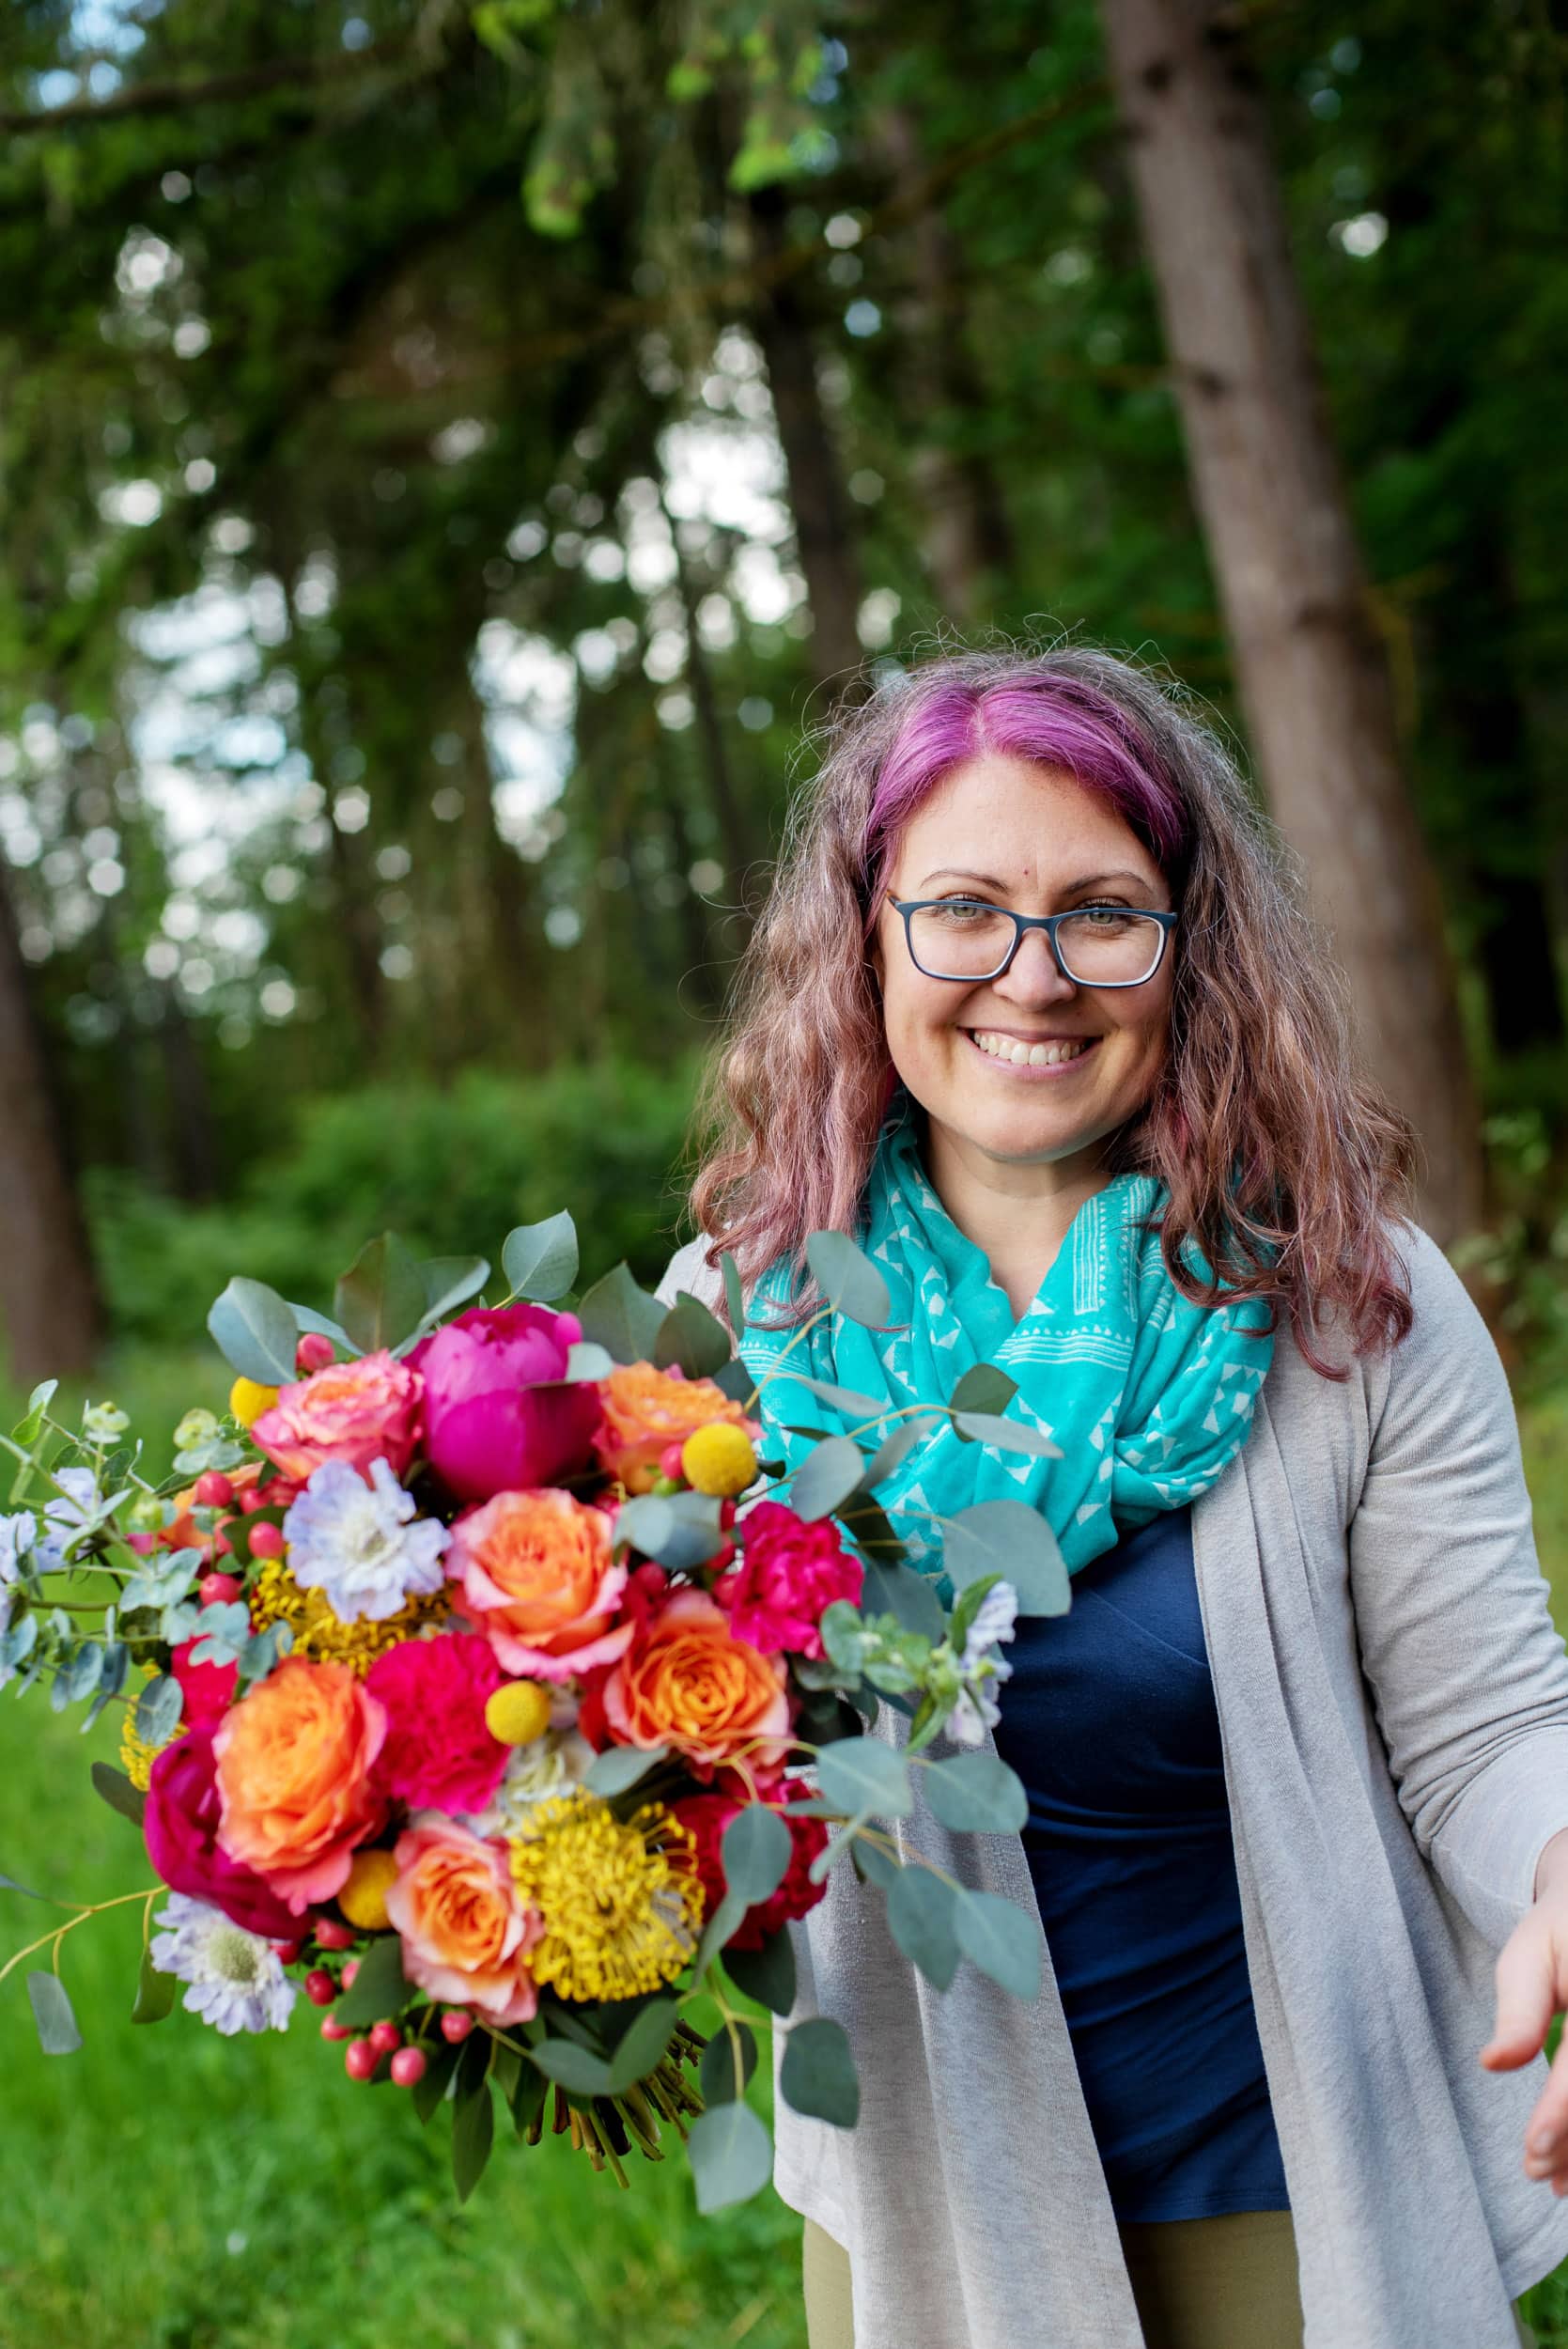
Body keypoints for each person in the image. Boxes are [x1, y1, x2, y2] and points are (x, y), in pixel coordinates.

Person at [657, 646, 1568, 2349]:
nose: (1033, 975)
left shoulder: (1344, 1303)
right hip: (933, 2185)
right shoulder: (727, 1328)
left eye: (1100, 911)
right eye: (962, 910)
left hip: (1298, 2175)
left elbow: (1484, 1722)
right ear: (865, 936)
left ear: (1188, 944)